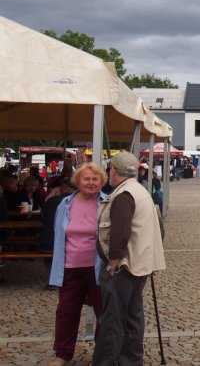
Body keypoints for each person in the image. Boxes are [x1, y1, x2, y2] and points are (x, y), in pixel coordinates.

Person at [92, 151, 165, 365]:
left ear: (112, 170)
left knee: (113, 321)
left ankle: (106, 362)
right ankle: (131, 361)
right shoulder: (139, 190)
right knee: (133, 317)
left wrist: (113, 262)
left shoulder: (124, 195)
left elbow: (120, 233)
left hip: (123, 267)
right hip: (138, 265)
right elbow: (159, 229)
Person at [47, 163, 107, 366]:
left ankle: (102, 354)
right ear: (78, 182)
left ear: (102, 182)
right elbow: (58, 236)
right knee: (66, 311)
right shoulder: (65, 204)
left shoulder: (106, 204)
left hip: (98, 267)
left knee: (103, 311)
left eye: (95, 179)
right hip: (70, 266)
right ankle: (62, 354)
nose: (90, 183)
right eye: (86, 179)